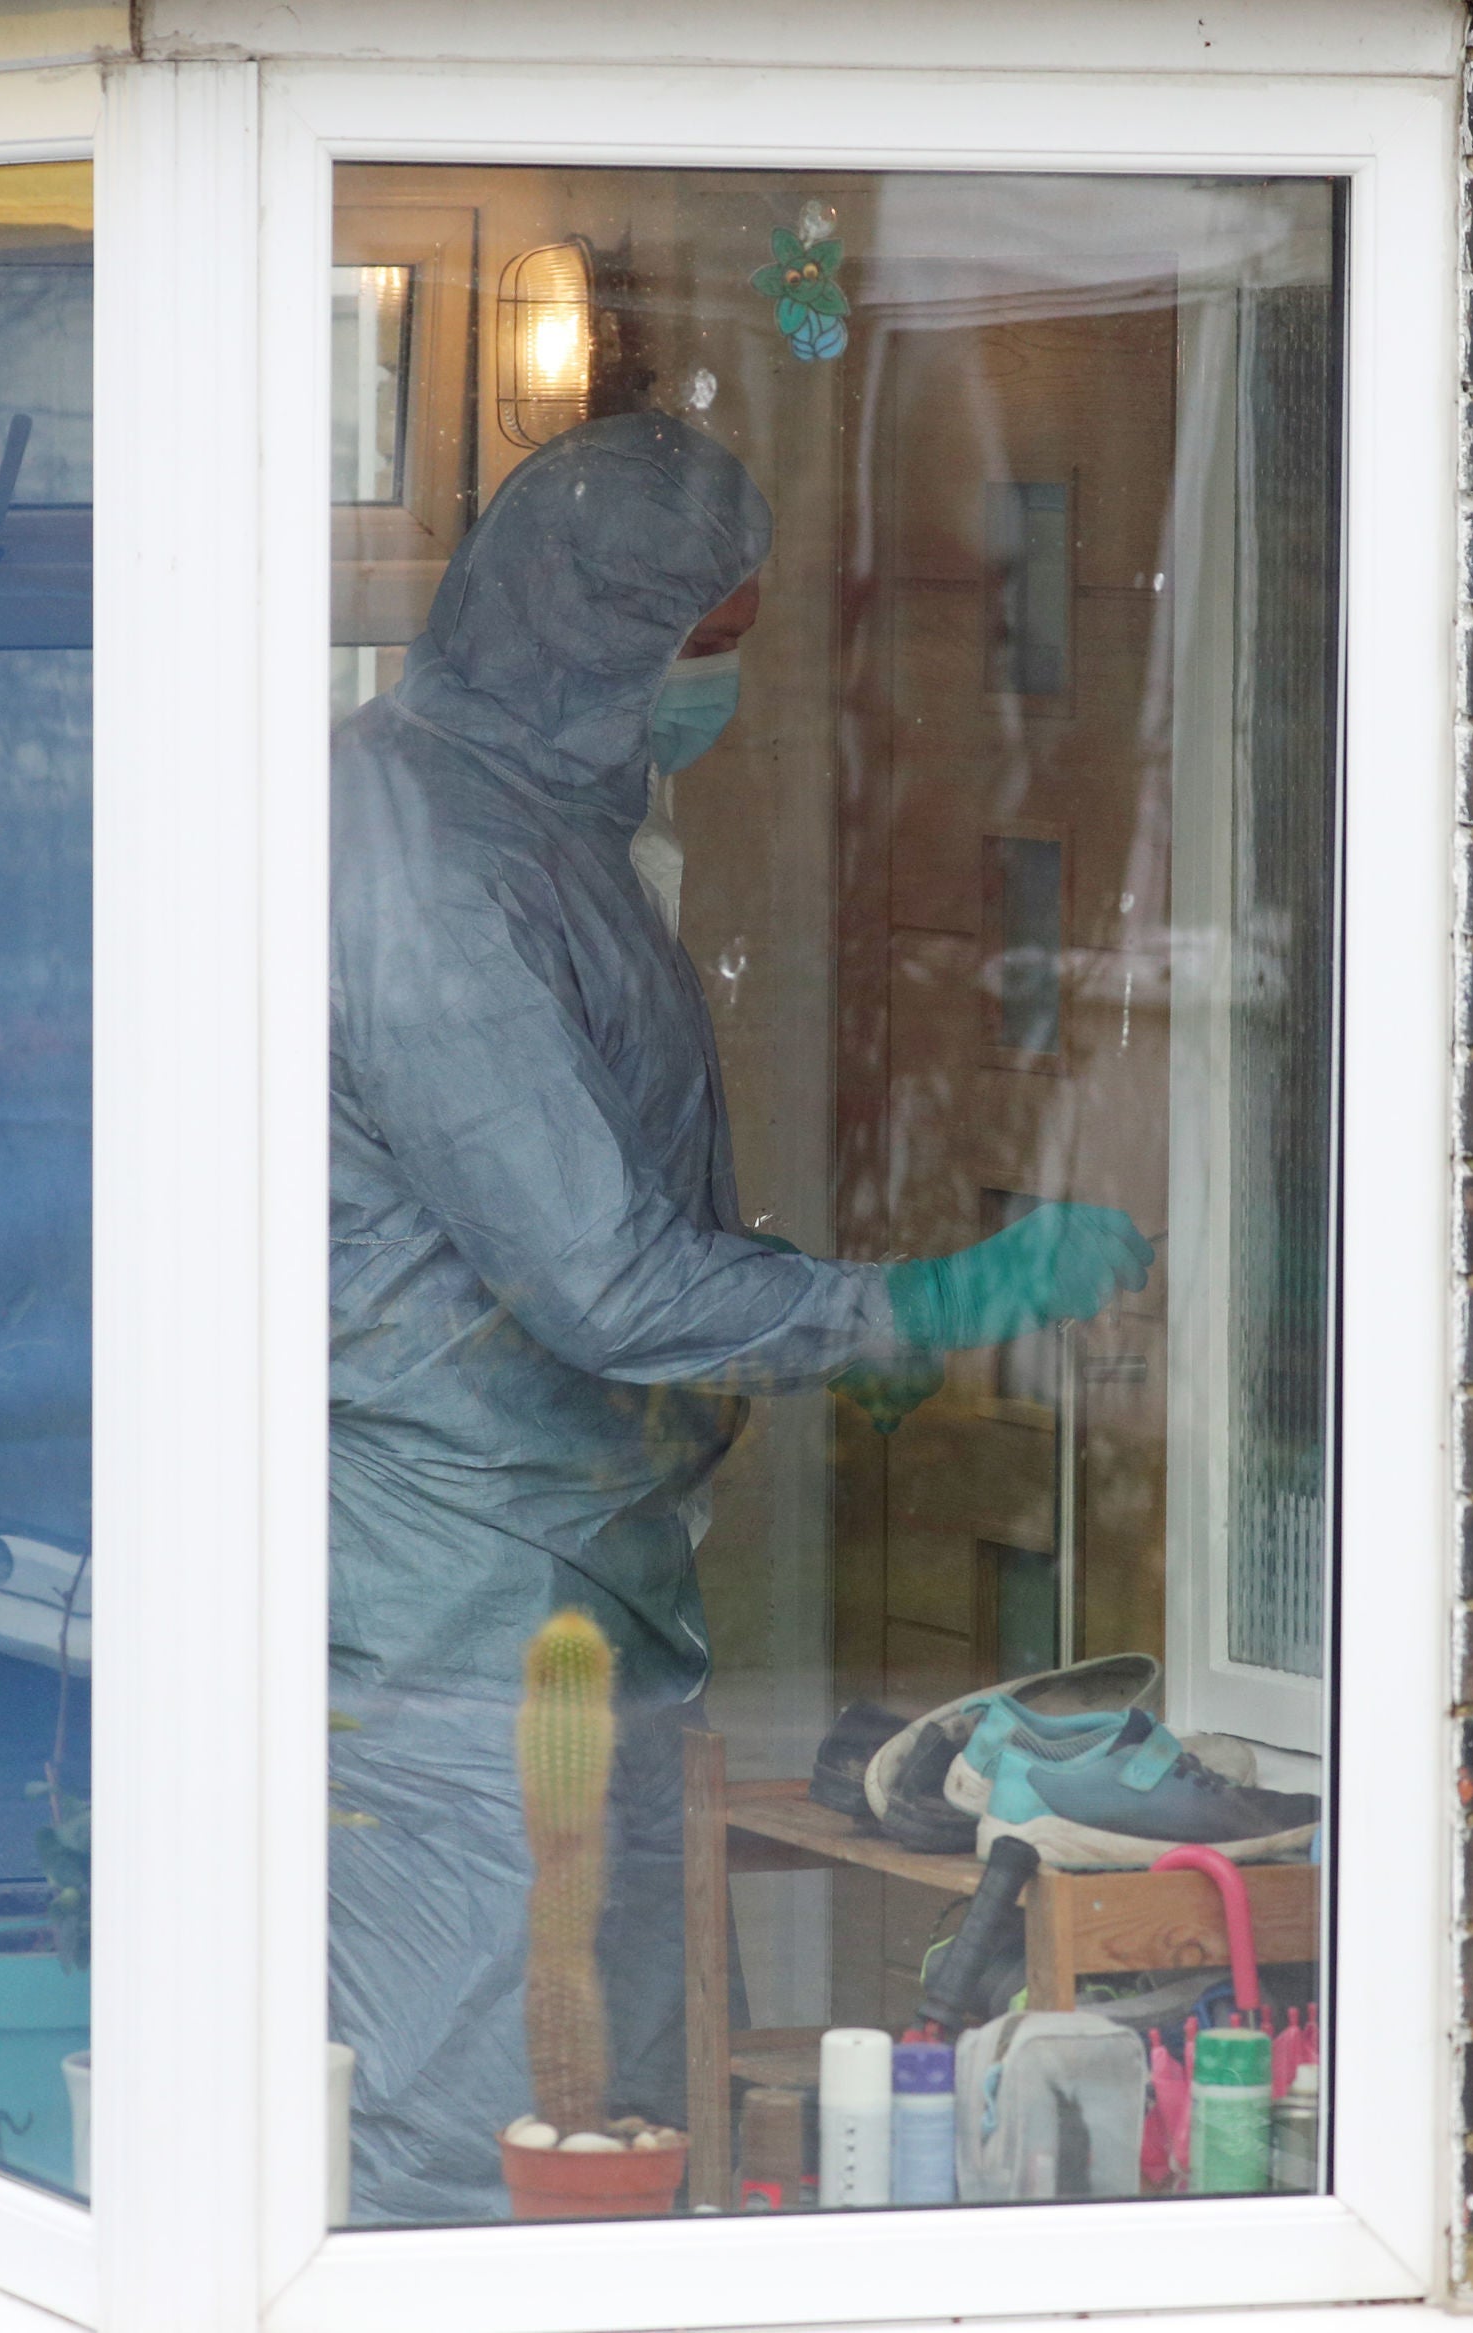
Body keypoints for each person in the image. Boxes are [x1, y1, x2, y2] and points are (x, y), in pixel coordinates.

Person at [325, 410, 1152, 2222]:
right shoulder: (431, 872)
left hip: (552, 1570)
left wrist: (799, 1334)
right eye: (704, 651)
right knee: (487, 2143)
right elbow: (605, 1275)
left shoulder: (522, 814)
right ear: (590, 640)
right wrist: (912, 1307)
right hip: (463, 1596)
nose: (723, 691)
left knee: (593, 2107)